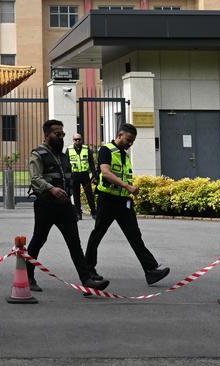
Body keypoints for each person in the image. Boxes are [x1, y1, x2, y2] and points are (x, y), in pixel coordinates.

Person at [26, 119, 110, 293]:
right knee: (38, 240)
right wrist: (51, 189)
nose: (61, 137)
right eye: (57, 134)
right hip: (46, 205)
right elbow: (35, 178)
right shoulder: (38, 153)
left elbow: (69, 179)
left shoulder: (63, 156)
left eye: (62, 134)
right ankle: (28, 276)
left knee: (74, 243)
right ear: (47, 135)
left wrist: (69, 199)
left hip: (64, 206)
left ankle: (87, 280)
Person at [84, 123, 170, 286]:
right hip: (107, 199)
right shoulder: (106, 150)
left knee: (134, 235)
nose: (130, 143)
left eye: (133, 141)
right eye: (128, 140)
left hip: (124, 202)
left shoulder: (125, 155)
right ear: (120, 135)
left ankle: (151, 270)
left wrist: (127, 192)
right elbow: (106, 172)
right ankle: (88, 270)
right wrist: (127, 186)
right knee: (98, 234)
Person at [67, 133, 96, 220]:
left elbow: (91, 162)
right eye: (76, 139)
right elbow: (67, 164)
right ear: (73, 140)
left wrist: (94, 174)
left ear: (82, 140)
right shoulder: (69, 149)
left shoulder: (86, 149)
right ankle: (78, 213)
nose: (78, 141)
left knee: (89, 195)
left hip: (85, 175)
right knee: (76, 195)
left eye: (79, 139)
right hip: (74, 175)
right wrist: (67, 176)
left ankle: (94, 212)